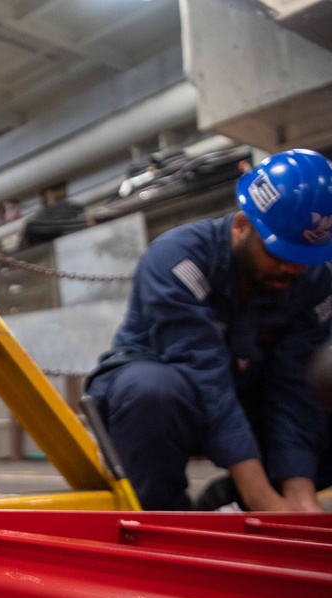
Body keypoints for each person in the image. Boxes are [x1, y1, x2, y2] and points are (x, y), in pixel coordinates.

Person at [85, 148, 332, 512]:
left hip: (243, 397)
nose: (292, 270)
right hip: (172, 397)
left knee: (323, 393)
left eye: (302, 259)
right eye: (280, 256)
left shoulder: (310, 281)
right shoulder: (179, 258)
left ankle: (230, 501)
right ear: (241, 226)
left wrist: (300, 496)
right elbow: (206, 376)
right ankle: (165, 518)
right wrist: (261, 496)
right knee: (151, 393)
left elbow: (292, 386)